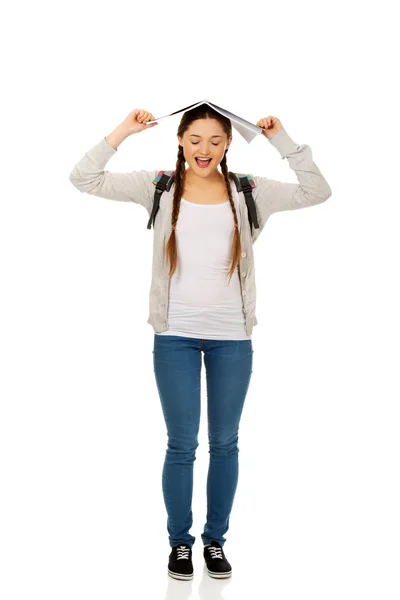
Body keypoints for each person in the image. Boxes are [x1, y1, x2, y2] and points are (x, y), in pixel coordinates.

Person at [69, 104, 332, 581]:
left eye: (214, 141)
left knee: (225, 443)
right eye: (194, 141)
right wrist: (124, 131)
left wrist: (282, 140)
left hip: (232, 338)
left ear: (229, 142)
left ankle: (215, 542)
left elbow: (318, 191)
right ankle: (179, 544)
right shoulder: (160, 186)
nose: (204, 150)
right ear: (181, 142)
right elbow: (84, 178)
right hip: (176, 337)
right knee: (182, 444)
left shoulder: (249, 190)